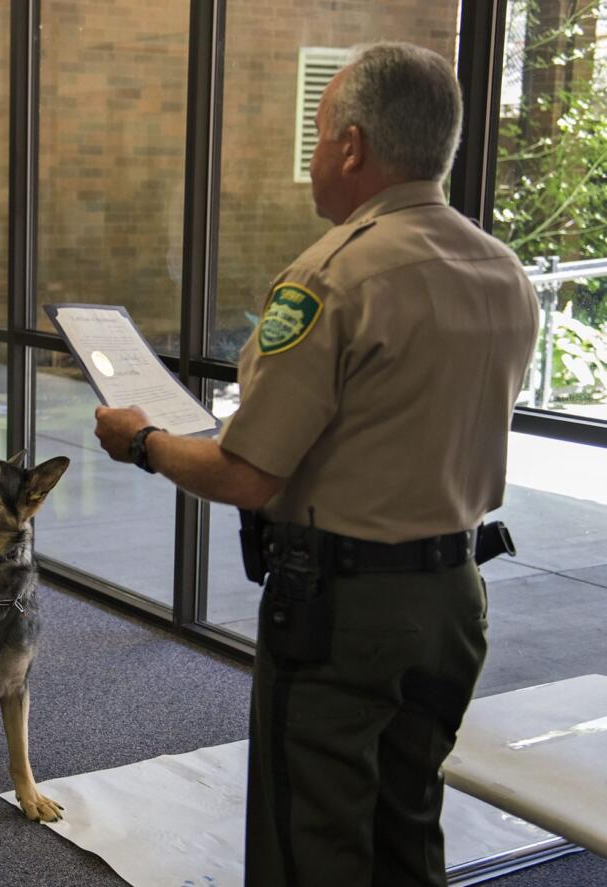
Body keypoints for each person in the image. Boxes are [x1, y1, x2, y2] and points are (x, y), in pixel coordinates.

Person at [93, 43, 539, 885]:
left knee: (312, 845)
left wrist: (143, 442)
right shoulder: (504, 273)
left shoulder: (332, 278)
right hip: (454, 601)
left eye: (319, 134)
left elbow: (246, 475)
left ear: (352, 147)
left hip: (346, 616)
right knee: (409, 825)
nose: (312, 158)